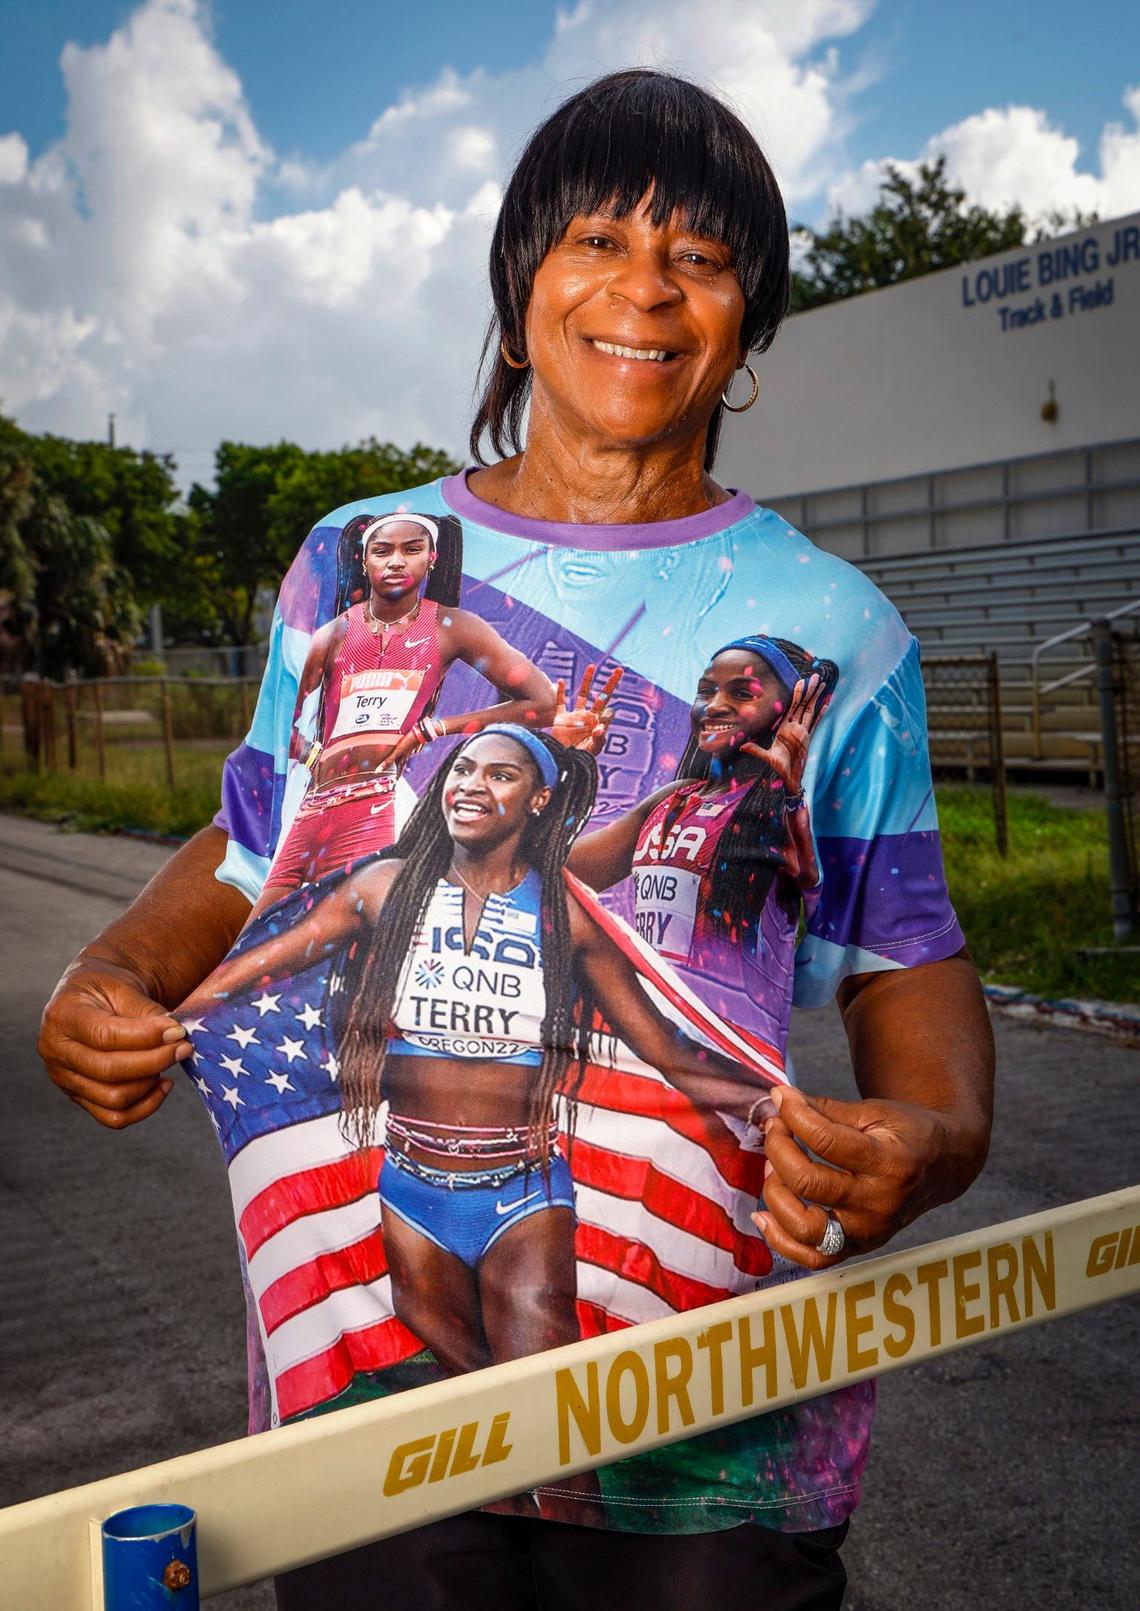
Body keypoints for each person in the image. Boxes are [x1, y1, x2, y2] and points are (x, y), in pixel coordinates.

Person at [40, 69, 994, 1611]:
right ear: (518, 284)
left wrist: (933, 1138)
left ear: (747, 322)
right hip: (367, 1399)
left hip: (710, 1406)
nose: (644, 289)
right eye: (599, 239)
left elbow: (908, 956)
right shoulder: (353, 563)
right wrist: (113, 965)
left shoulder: (841, 631)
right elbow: (253, 847)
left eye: (700, 256)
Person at [256, 510, 554, 910]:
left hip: (378, 807)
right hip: (315, 808)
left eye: (411, 550)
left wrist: (436, 728)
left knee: (359, 941)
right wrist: (311, 755)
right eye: (382, 551)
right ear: (365, 561)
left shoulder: (452, 627)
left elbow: (541, 703)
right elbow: (280, 725)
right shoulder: (333, 634)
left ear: (431, 556)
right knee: (254, 944)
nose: (396, 561)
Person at [567, 635, 838, 1052]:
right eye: (706, 690)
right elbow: (557, 875)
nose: (713, 706)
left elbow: (825, 955)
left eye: (743, 692)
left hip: (735, 1054)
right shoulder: (674, 800)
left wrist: (791, 796)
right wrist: (567, 767)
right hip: (647, 1040)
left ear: (793, 710)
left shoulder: (791, 810)